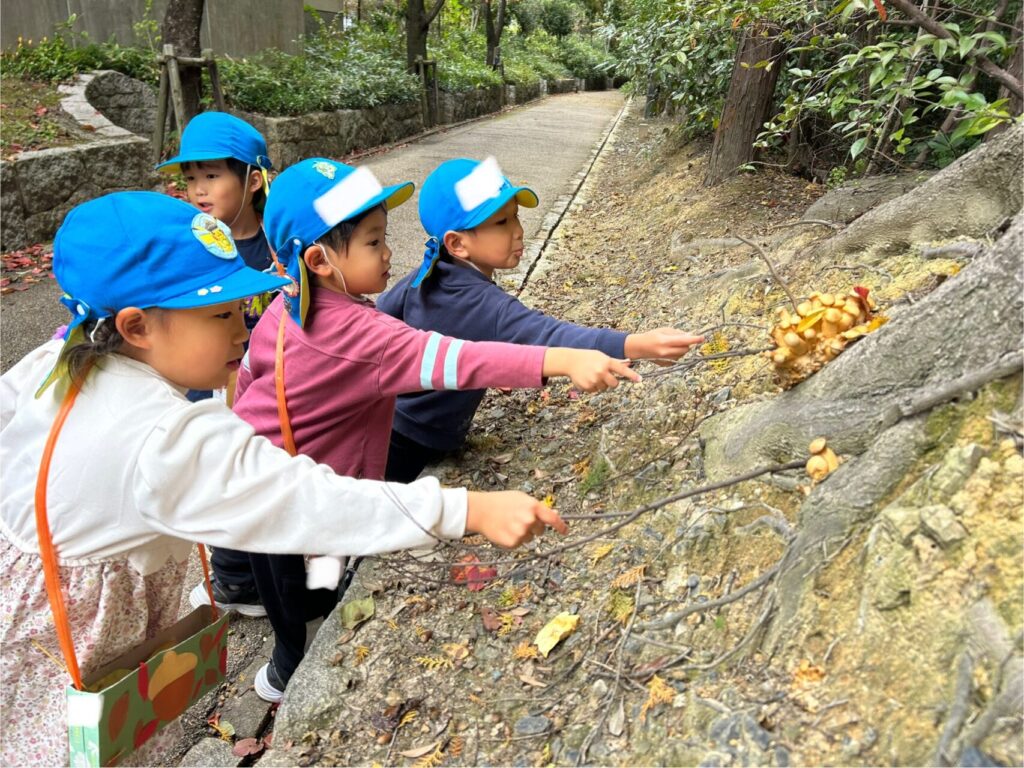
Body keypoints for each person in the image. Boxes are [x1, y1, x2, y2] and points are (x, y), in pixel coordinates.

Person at [0, 191, 567, 766]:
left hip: (23, 614)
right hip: (80, 641)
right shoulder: (163, 435)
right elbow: (304, 499)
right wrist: (465, 510)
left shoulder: (56, 359)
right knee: (83, 747)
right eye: (220, 315)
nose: (241, 330)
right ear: (137, 326)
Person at [196, 157, 638, 702]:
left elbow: (248, 378)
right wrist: (562, 360)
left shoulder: (284, 306)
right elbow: (460, 360)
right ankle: (289, 673)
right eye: (374, 242)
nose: (388, 253)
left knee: (286, 579)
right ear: (319, 260)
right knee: (302, 595)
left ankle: (283, 619)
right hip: (303, 505)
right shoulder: (362, 333)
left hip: (266, 483)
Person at [376, 156, 706, 482]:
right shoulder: (487, 304)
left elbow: (382, 315)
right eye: (501, 223)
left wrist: (491, 359)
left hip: (386, 413)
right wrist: (637, 344)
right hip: (413, 439)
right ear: (457, 243)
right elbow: (550, 334)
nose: (518, 231)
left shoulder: (426, 273)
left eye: (515, 217)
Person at [157, 112, 279, 605]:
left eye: (211, 175)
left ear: (253, 180)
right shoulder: (193, 244)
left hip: (263, 386)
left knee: (252, 477)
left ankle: (251, 577)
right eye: (190, 179)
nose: (199, 190)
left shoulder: (278, 244)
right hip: (207, 385)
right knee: (216, 478)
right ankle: (236, 578)